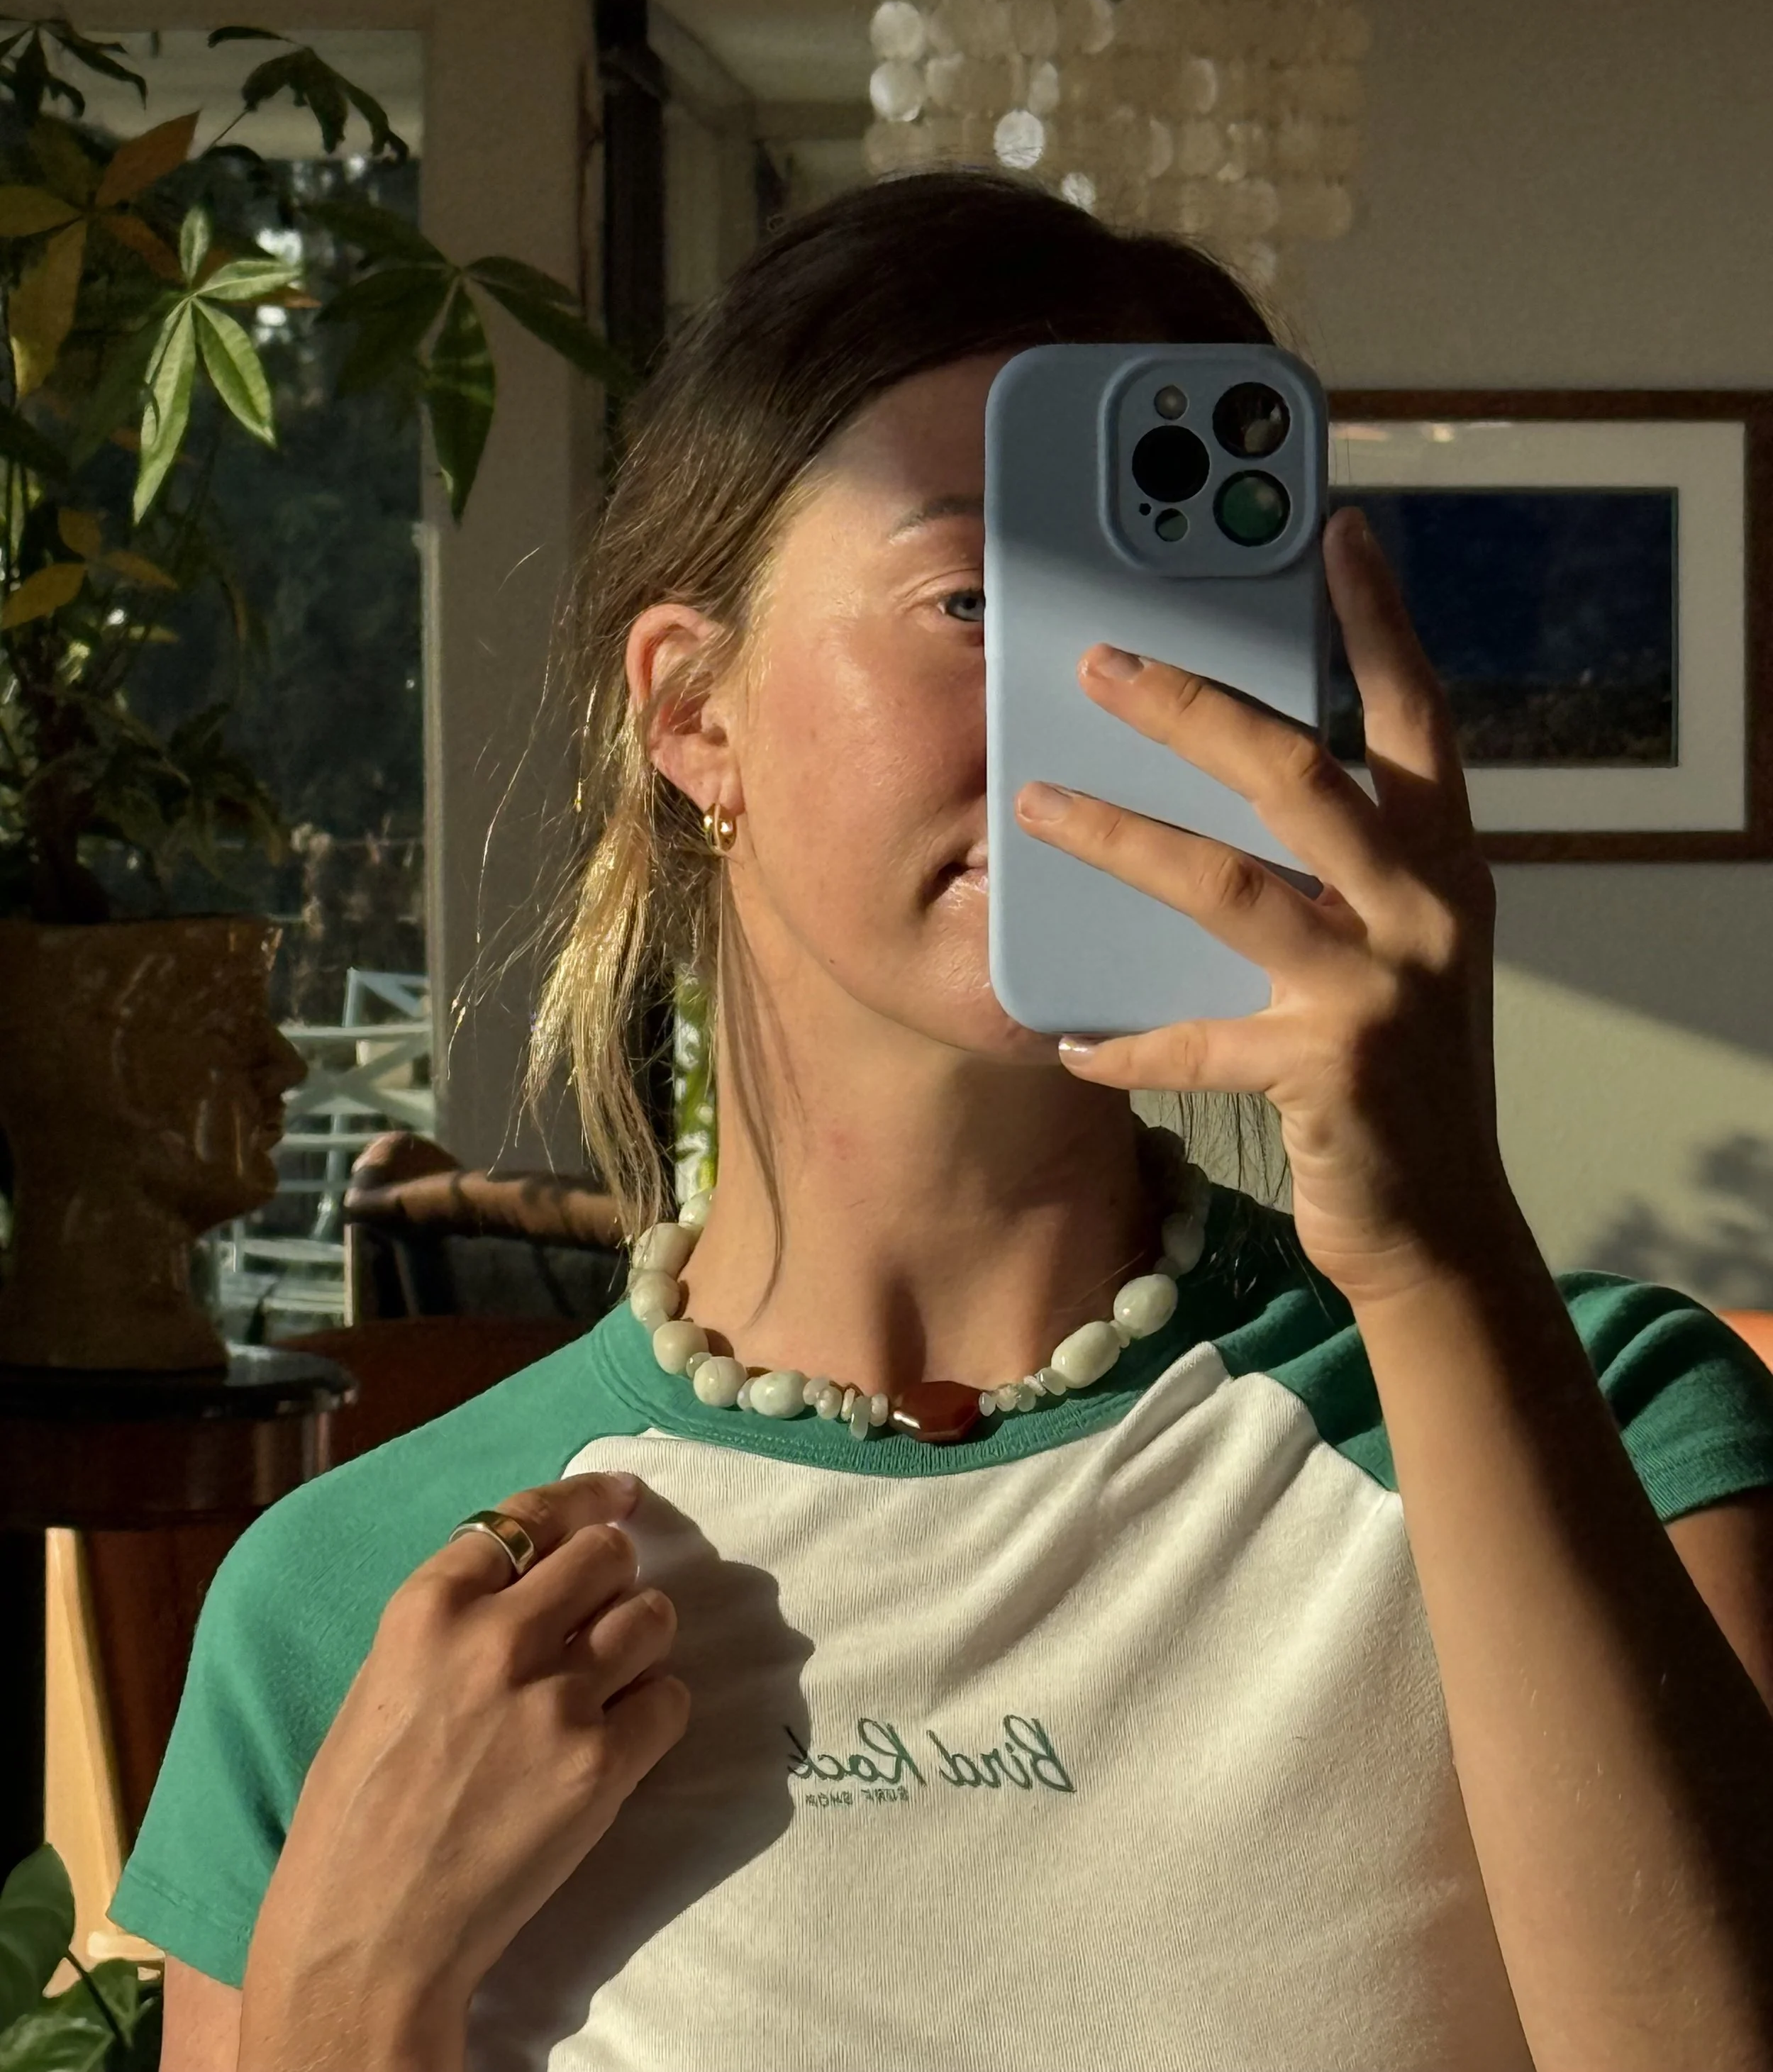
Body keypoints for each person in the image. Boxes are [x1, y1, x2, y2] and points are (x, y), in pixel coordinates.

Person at [117, 171, 1773, 2072]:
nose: (1099, 709)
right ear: (694, 711)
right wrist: (345, 2001)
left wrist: (1436, 1238)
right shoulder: (362, 1597)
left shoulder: (1603, 1433)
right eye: (977, 598)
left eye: (1173, 619)